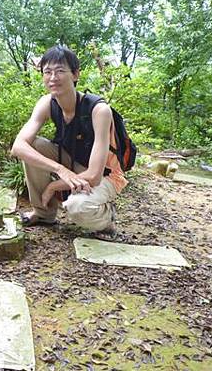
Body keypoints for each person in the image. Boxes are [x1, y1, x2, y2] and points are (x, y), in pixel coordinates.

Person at [11, 45, 127, 235]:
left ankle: (106, 220)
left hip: (105, 174)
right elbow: (18, 146)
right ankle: (44, 213)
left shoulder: (98, 110)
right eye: (47, 72)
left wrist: (53, 186)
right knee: (33, 145)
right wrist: (60, 170)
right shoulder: (47, 103)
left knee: (77, 206)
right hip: (72, 162)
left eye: (60, 71)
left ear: (75, 75)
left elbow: (94, 176)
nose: (53, 78)